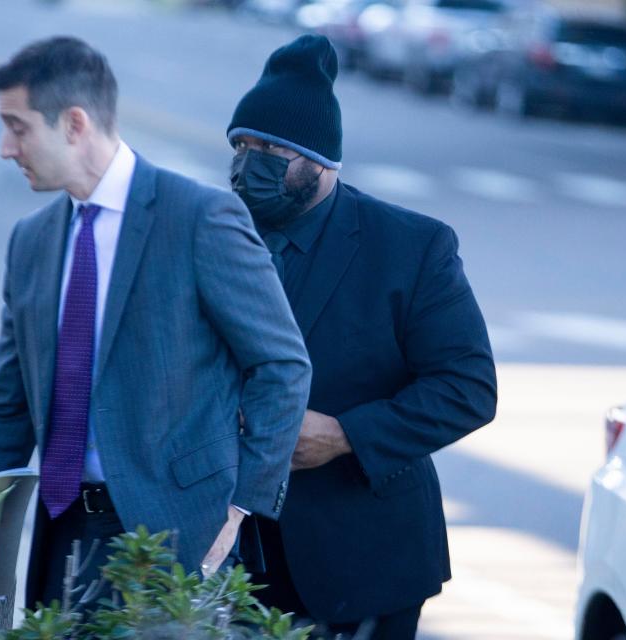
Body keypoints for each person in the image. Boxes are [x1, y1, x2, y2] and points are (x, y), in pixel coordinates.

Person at [0, 35, 312, 611]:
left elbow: (281, 365)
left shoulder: (199, 218)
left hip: (179, 538)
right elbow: (8, 403)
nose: (5, 148)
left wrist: (242, 508)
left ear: (75, 123)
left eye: (18, 127)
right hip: (58, 537)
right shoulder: (31, 241)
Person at [226, 35, 498, 639]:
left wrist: (347, 435)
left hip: (364, 561)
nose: (250, 162)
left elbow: (468, 387)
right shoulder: (213, 234)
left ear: (320, 159)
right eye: (241, 145)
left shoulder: (411, 247)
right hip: (230, 562)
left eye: (271, 148)